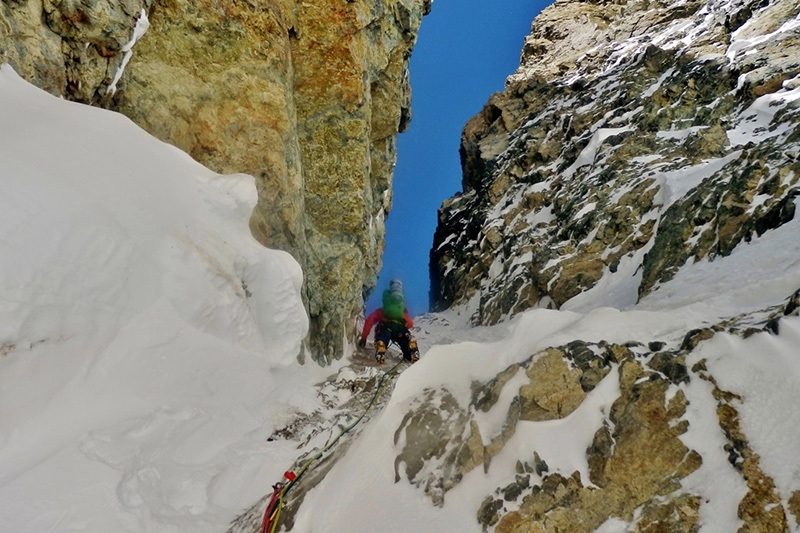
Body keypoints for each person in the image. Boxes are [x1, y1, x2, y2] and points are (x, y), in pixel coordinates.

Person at [359, 279, 420, 364]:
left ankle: (381, 344)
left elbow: (370, 320)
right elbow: (410, 323)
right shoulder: (401, 313)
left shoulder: (382, 311)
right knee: (404, 340)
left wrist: (364, 338)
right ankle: (411, 350)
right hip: (401, 329)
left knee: (383, 336)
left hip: (386, 327)